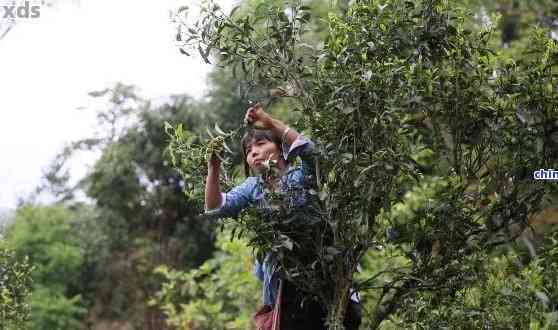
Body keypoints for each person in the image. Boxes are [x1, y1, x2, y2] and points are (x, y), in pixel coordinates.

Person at [204, 103, 361, 329]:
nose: (254, 152)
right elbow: (216, 205)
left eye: (261, 143)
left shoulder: (301, 175)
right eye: (248, 151)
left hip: (325, 271)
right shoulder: (252, 187)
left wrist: (270, 123)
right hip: (286, 284)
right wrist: (214, 167)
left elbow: (313, 153)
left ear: (279, 149)